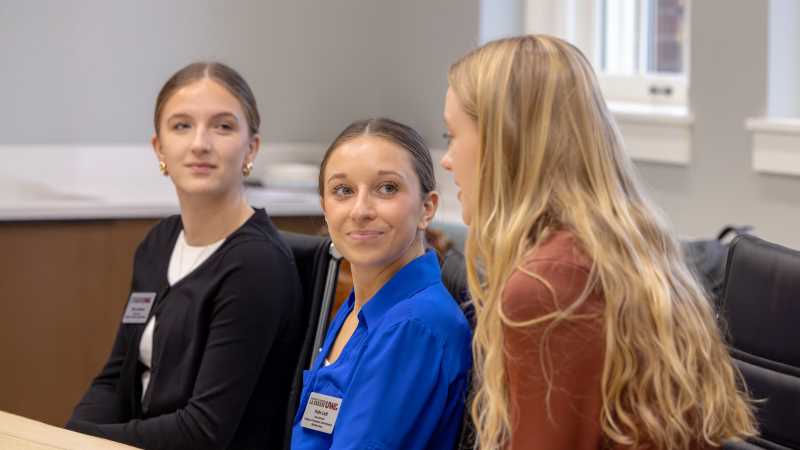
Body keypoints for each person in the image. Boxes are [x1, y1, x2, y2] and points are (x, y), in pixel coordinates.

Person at [440, 35, 757, 450]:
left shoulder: (549, 285)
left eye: (452, 136)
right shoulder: (627, 245)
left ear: (504, 144)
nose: (446, 159)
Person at [66, 62, 304, 450]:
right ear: (159, 147)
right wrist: (68, 435)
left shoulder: (256, 265)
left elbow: (203, 432)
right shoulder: (158, 243)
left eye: (223, 126)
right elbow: (115, 377)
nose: (200, 143)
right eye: (181, 126)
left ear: (251, 148)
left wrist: (87, 442)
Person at [290, 118, 472, 450]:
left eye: (387, 188)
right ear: (325, 209)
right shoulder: (359, 306)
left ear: (427, 208)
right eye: (343, 191)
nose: (360, 210)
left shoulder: (414, 327)